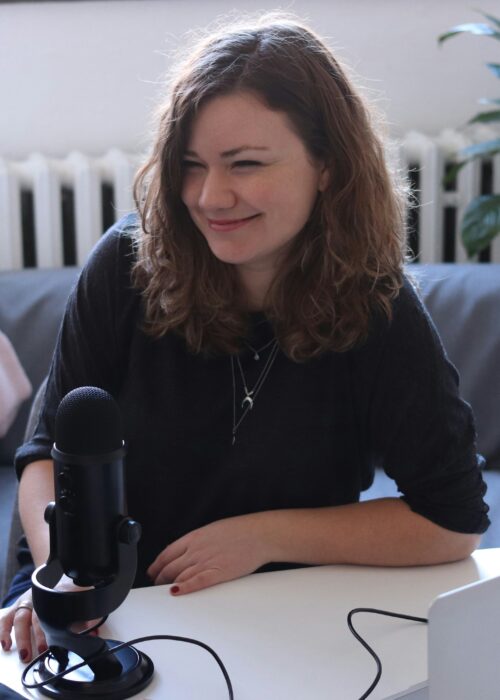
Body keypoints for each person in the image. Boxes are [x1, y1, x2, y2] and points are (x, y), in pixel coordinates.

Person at [0, 13, 489, 663]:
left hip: (269, 615)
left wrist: (262, 537)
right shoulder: (124, 267)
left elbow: (451, 522)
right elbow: (41, 457)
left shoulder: (378, 309)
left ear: (329, 168)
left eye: (246, 164)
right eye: (192, 165)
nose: (210, 196)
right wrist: (64, 576)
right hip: (95, 603)